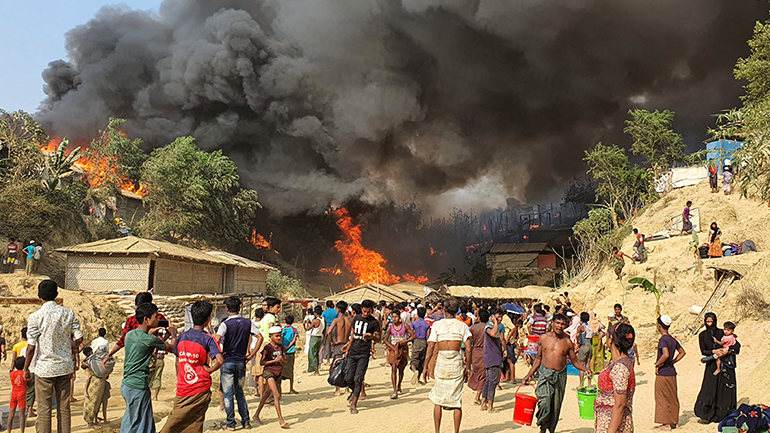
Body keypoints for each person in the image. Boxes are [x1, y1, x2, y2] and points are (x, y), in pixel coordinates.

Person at [23, 279, 83, 433]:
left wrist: (26, 368)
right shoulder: (68, 313)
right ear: (57, 294)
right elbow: (79, 337)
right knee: (64, 408)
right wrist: (72, 347)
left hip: (44, 369)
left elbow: (30, 347)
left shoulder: (35, 317)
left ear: (39, 295)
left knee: (44, 410)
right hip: (64, 367)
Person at [522, 313, 592, 433]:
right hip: (545, 375)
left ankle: (548, 429)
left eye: (562, 324)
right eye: (557, 323)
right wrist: (529, 375)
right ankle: (542, 427)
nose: (560, 326)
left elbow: (574, 361)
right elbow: (538, 359)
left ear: (566, 325)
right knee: (544, 403)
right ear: (552, 323)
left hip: (560, 376)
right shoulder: (543, 338)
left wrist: (586, 369)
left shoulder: (567, 341)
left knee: (555, 406)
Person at [161, 301, 224, 433]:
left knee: (176, 419)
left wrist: (180, 378)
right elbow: (219, 360)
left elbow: (178, 362)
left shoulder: (182, 337)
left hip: (183, 387)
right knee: (196, 421)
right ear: (208, 319)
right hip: (201, 386)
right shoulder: (208, 339)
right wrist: (209, 370)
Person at [119, 302, 177, 433]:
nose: (158, 320)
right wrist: (173, 334)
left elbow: (142, 343)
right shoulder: (149, 339)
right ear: (146, 319)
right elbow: (172, 348)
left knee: (134, 419)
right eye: (155, 317)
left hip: (127, 384)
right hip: (138, 386)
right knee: (138, 424)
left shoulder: (130, 335)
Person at [425, 298, 472, 433]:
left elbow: (431, 346)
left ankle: (437, 431)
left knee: (438, 400)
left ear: (444, 310)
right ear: (456, 310)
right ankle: (456, 431)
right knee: (457, 401)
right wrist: (468, 367)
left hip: (442, 362)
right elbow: (468, 349)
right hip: (456, 362)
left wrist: (425, 366)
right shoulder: (462, 326)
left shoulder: (437, 325)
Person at [215, 296, 260, 431]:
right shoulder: (248, 322)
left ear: (227, 309)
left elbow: (217, 339)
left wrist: (219, 354)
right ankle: (246, 421)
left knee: (228, 394)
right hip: (241, 361)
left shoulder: (225, 324)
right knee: (240, 392)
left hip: (228, 361)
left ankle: (230, 423)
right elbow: (260, 337)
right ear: (239, 308)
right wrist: (251, 354)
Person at [694, 313, 740, 423]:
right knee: (709, 389)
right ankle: (706, 415)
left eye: (711, 322)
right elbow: (703, 351)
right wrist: (713, 351)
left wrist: (726, 350)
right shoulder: (702, 335)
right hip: (711, 366)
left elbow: (737, 346)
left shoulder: (722, 333)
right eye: (708, 322)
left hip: (725, 365)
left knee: (725, 390)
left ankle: (725, 415)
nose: (710, 324)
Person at [594, 322, 636, 433]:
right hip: (609, 420)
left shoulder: (620, 368)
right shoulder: (620, 362)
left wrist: (610, 431)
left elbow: (620, 404)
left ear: (611, 340)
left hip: (612, 423)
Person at [342, 299, 381, 414]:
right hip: (353, 352)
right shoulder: (357, 318)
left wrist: (372, 337)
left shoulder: (374, 322)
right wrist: (347, 347)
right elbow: (353, 334)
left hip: (364, 353)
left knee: (359, 378)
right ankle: (354, 392)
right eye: (364, 311)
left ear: (372, 311)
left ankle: (354, 404)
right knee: (349, 378)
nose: (365, 314)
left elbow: (379, 339)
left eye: (368, 312)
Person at [654, 315, 685, 430]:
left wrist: (657, 364)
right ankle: (674, 421)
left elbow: (665, 354)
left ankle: (666, 423)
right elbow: (682, 352)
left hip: (663, 372)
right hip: (672, 372)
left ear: (659, 326)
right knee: (672, 397)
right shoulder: (672, 339)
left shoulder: (663, 340)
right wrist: (673, 361)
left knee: (662, 397)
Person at [253, 326, 289, 428]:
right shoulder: (267, 348)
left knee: (266, 393)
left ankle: (256, 414)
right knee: (276, 395)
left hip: (278, 372)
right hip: (269, 372)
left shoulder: (281, 347)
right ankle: (281, 420)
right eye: (276, 336)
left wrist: (282, 359)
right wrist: (274, 361)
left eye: (279, 336)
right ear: (270, 336)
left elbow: (285, 360)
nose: (279, 338)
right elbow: (262, 362)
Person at [384, 309, 416, 399]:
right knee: (393, 368)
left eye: (396, 317)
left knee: (401, 369)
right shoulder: (390, 327)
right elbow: (385, 340)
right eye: (393, 317)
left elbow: (414, 335)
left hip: (403, 349)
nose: (394, 319)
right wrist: (392, 347)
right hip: (393, 349)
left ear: (399, 317)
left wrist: (405, 341)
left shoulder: (405, 326)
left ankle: (399, 385)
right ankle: (394, 391)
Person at [254, 298, 280, 398]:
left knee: (260, 372)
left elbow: (257, 325)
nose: (279, 310)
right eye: (277, 307)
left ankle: (262, 395)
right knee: (269, 370)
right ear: (271, 308)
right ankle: (269, 395)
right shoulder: (272, 318)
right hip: (268, 344)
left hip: (261, 344)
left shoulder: (265, 317)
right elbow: (271, 329)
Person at [481, 307, 505, 413]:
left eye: (501, 317)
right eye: (498, 317)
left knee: (488, 380)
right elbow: (493, 333)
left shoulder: (492, 325)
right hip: (492, 356)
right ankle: (490, 406)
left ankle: (483, 403)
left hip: (492, 356)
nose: (500, 319)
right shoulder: (490, 326)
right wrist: (495, 323)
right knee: (493, 382)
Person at [328, 301, 349, 395]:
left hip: (339, 344)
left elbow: (329, 332)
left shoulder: (336, 320)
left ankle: (338, 389)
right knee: (347, 365)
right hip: (347, 343)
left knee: (337, 365)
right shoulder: (350, 320)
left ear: (338, 310)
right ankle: (347, 388)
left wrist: (332, 341)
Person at [468, 309, 487, 405]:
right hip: (485, 353)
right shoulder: (488, 328)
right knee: (483, 375)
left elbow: (469, 342)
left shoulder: (473, 328)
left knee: (477, 372)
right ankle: (478, 396)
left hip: (475, 352)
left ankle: (481, 394)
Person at [410, 307, 431, 385]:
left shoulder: (414, 323)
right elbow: (428, 335)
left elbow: (411, 333)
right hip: (424, 342)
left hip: (417, 341)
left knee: (414, 360)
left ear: (417, 314)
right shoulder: (427, 324)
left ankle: (415, 371)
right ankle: (418, 379)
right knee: (422, 361)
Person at [280, 315, 299, 395]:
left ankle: (280, 389)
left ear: (285, 321)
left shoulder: (282, 330)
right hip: (291, 351)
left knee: (280, 370)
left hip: (282, 351)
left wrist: (283, 348)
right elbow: (294, 340)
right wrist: (288, 347)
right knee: (291, 369)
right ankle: (291, 388)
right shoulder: (294, 330)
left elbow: (280, 339)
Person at [8, 356, 27, 433]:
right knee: (21, 415)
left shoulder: (12, 374)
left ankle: (9, 431)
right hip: (22, 394)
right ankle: (22, 431)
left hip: (14, 393)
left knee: (11, 414)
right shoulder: (25, 374)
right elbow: (29, 383)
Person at [577, 312, 594, 385]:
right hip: (589, 344)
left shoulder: (581, 327)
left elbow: (578, 334)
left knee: (581, 366)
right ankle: (589, 384)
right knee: (588, 365)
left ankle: (581, 384)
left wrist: (578, 342)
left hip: (583, 345)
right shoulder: (590, 327)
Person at [307, 305, 324, 375]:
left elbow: (308, 328)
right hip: (320, 336)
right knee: (316, 353)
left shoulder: (316, 321)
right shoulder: (323, 320)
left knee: (312, 354)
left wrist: (308, 323)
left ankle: (314, 369)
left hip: (315, 337)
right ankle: (316, 370)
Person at [321, 300, 338, 366]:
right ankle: (335, 358)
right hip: (335, 327)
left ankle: (328, 360)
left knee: (327, 344)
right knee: (335, 342)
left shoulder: (324, 312)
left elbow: (322, 321)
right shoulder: (336, 312)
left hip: (327, 327)